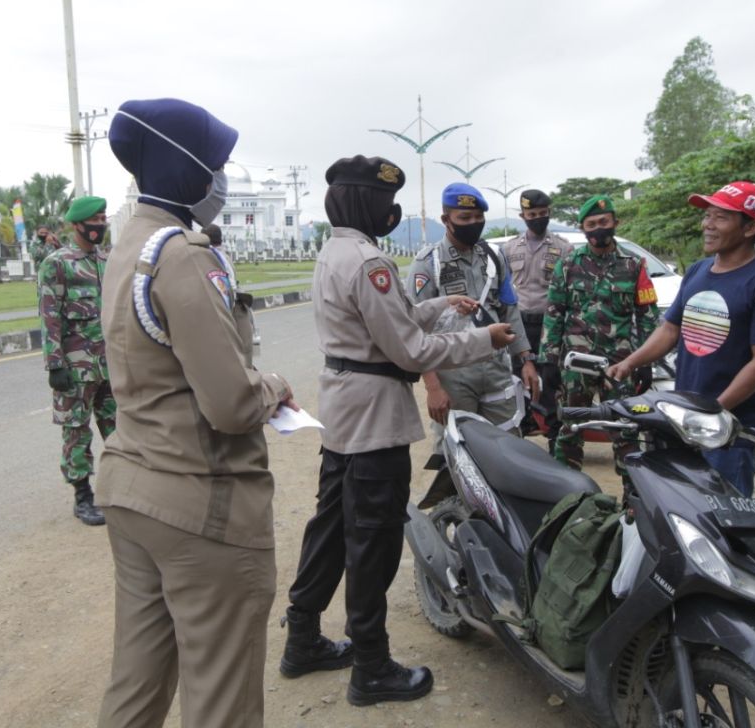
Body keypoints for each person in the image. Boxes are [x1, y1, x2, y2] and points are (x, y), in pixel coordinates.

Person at [282, 155, 515, 706]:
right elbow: (410, 352)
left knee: (331, 529)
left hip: (344, 413)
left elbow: (384, 322)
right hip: (374, 422)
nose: (392, 213)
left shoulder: (336, 250)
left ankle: (303, 638)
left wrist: (438, 305)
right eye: (386, 204)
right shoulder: (369, 262)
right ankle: (371, 667)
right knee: (373, 542)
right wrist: (485, 340)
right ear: (366, 202)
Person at [95, 97, 296, 728]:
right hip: (198, 502)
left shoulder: (130, 242)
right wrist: (275, 385)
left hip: (135, 487)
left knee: (138, 682)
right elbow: (233, 404)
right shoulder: (182, 253)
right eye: (216, 164)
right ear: (185, 166)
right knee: (222, 695)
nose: (223, 179)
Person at [609, 182, 755, 496]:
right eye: (707, 216)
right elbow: (670, 330)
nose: (707, 225)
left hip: (727, 430)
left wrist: (712, 411)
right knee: (680, 512)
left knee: (723, 525)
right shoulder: (697, 271)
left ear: (750, 227)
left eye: (720, 218)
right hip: (683, 417)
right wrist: (629, 363)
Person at [408, 183, 539, 476]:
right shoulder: (427, 264)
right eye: (464, 219)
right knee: (455, 455)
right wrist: (432, 387)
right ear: (446, 220)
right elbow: (414, 331)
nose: (473, 224)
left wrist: (526, 359)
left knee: (507, 447)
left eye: (478, 218)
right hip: (453, 377)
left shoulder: (494, 257)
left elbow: (510, 308)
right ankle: (453, 516)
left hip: (496, 370)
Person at [541, 194, 659, 469]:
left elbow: (647, 317)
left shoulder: (634, 265)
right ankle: (568, 498)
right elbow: (554, 314)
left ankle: (634, 502)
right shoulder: (568, 264)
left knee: (627, 431)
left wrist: (645, 362)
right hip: (576, 363)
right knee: (570, 431)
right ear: (583, 228)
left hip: (620, 365)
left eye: (603, 222)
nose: (598, 229)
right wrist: (548, 360)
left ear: (616, 222)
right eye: (591, 224)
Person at [37, 197, 113, 526]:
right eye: (95, 218)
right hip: (76, 366)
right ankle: (83, 496)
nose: (102, 224)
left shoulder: (108, 261)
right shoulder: (57, 263)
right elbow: (49, 316)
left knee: (119, 428)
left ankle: (124, 488)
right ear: (77, 224)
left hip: (110, 364)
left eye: (104, 217)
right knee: (76, 432)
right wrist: (55, 365)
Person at [501, 189, 572, 437]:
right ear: (523, 215)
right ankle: (521, 431)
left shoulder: (564, 249)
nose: (538, 218)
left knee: (551, 382)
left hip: (549, 327)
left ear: (549, 213)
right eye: (532, 214)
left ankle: (555, 436)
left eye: (543, 213)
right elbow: (503, 290)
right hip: (519, 325)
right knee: (516, 381)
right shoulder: (509, 249)